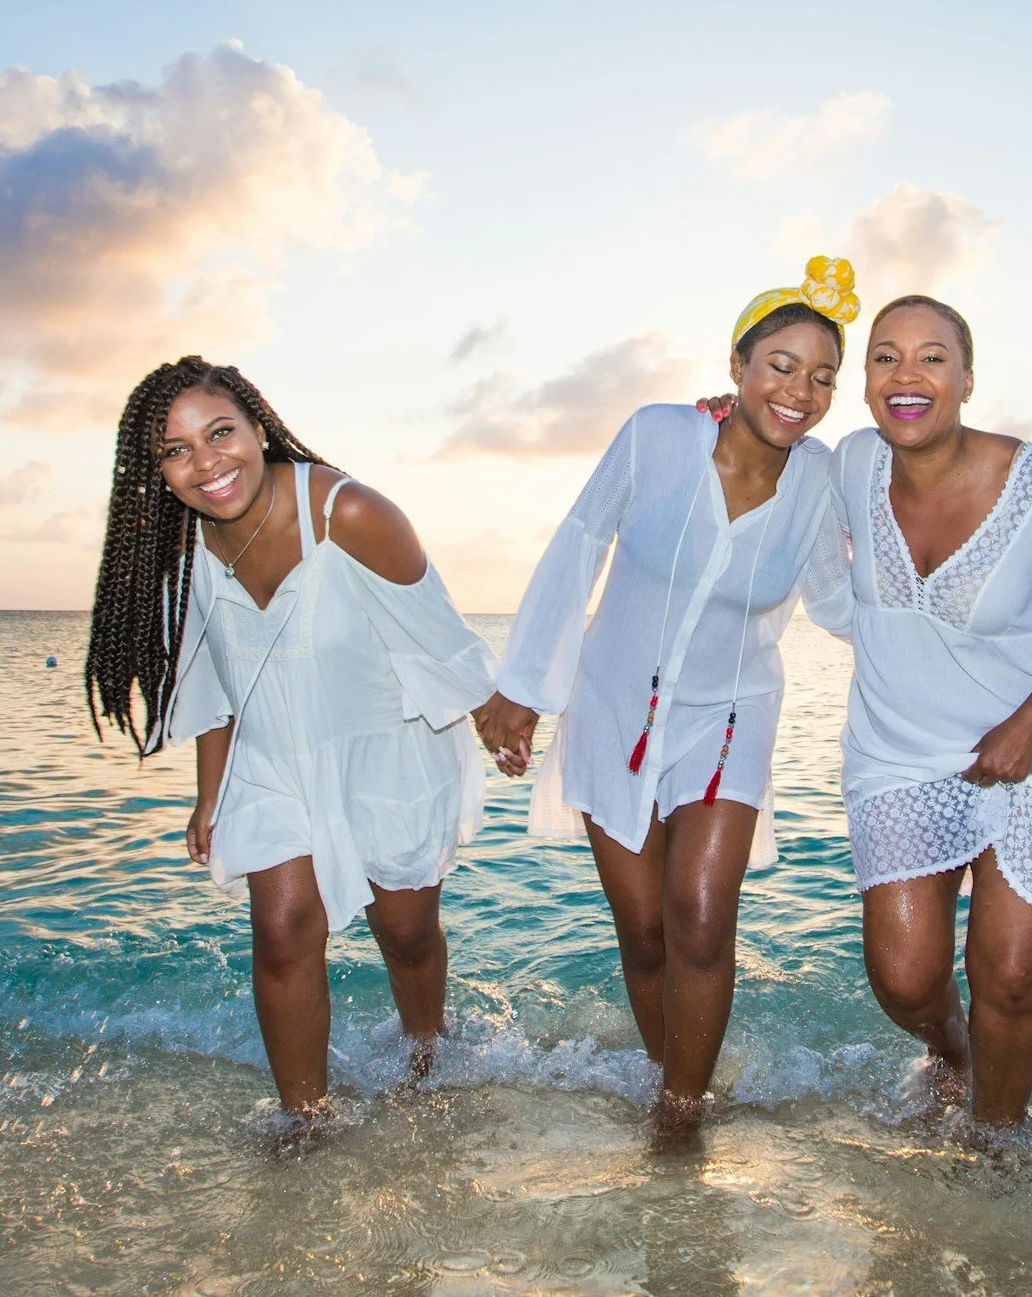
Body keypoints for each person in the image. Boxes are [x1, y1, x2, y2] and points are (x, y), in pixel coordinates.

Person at [475, 257, 860, 1132]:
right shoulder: (654, 436)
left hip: (732, 712)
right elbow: (577, 545)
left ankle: (682, 1115)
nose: (800, 390)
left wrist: (951, 640)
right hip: (614, 708)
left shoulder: (821, 479)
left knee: (697, 913)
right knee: (645, 932)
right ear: (737, 365)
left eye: (823, 376)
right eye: (781, 365)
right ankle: (669, 1070)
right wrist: (525, 688)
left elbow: (838, 599)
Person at [85, 356, 498, 1114]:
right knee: (281, 934)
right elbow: (219, 682)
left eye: (220, 433)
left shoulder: (351, 513)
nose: (206, 463)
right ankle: (303, 1119)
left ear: (257, 427)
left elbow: (444, 644)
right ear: (156, 471)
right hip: (272, 757)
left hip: (387, 748)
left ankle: (427, 1054)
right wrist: (209, 796)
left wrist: (502, 717)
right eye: (176, 450)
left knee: (405, 935)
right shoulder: (184, 550)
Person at [828, 295, 1032, 1129]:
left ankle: (997, 1135)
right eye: (885, 356)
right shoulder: (849, 465)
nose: (908, 375)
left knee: (1012, 969)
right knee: (904, 978)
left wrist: (1031, 721)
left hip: (1031, 740)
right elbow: (764, 461)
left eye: (932, 356)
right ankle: (956, 1054)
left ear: (966, 377)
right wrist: (722, 416)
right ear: (864, 384)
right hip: (898, 749)